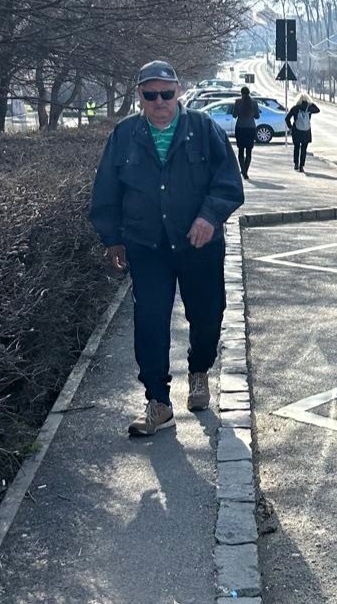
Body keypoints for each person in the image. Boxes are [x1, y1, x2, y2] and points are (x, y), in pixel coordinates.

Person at [88, 60, 244, 437]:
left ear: (179, 92)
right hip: (147, 245)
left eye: (166, 93)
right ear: (139, 96)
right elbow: (107, 188)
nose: (159, 102)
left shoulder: (204, 129)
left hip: (199, 244)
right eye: (150, 94)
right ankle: (158, 401)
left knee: (207, 315)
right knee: (150, 320)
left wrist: (209, 217)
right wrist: (112, 237)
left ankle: (199, 370)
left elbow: (228, 182)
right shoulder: (125, 134)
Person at [284, 93, 320, 172]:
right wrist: (311, 103)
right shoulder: (309, 108)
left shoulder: (295, 108)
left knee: (296, 147)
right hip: (306, 131)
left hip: (296, 131)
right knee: (304, 149)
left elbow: (287, 119)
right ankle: (301, 166)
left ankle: (296, 164)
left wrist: (290, 128)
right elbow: (318, 110)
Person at [232, 86, 258, 179]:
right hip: (251, 128)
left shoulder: (238, 102)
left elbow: (234, 115)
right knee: (249, 151)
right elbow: (257, 116)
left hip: (240, 127)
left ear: (241, 93)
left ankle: (243, 170)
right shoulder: (254, 103)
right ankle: (245, 171)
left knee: (241, 150)